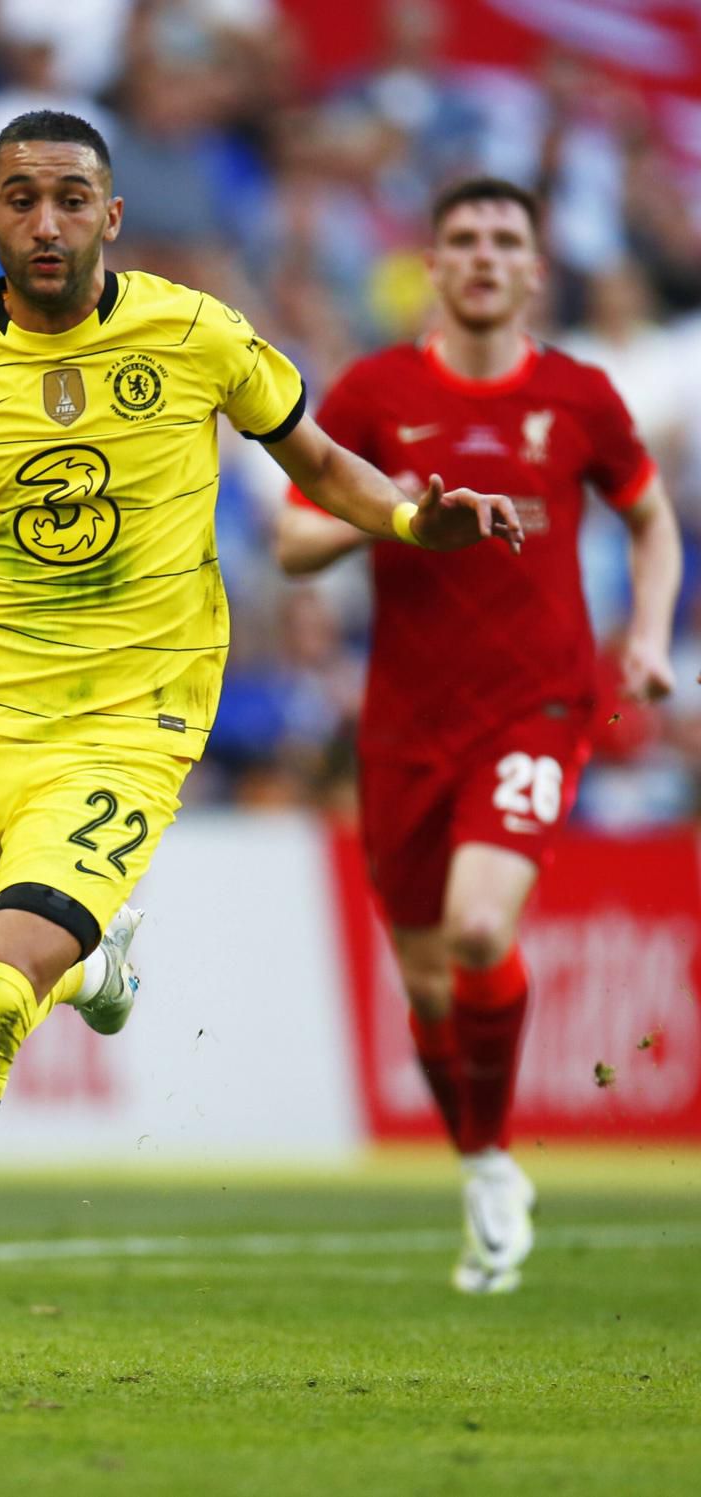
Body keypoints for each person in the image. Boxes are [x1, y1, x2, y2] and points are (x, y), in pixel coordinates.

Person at [0, 114, 523, 1374]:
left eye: (69, 198)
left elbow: (324, 466)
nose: (45, 221)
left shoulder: (196, 332)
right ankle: (92, 968)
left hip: (133, 719)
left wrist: (415, 523)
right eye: (19, 199)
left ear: (111, 215)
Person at [276, 177, 681, 1294]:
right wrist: (395, 510)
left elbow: (651, 522)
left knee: (475, 925)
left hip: (536, 706)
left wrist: (650, 637)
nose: (486, 255)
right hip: (405, 723)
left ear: (535, 269)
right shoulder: (376, 391)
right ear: (434, 265)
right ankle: (479, 1164)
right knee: (425, 985)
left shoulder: (578, 395)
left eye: (506, 239)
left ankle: (495, 1160)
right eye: (464, 238)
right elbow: (293, 542)